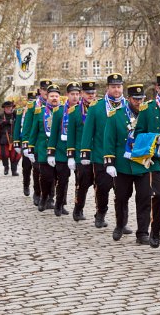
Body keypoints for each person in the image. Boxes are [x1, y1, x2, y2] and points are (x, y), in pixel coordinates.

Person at [80, 73, 131, 231]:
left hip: (123, 156)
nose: (116, 90)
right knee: (103, 186)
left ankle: (122, 222)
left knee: (123, 192)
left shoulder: (128, 106)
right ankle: (101, 212)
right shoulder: (97, 107)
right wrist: (85, 152)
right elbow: (88, 131)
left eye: (119, 86)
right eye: (113, 87)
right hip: (101, 154)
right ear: (107, 88)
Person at [134, 73, 160, 253]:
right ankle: (155, 228)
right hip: (156, 161)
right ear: (157, 89)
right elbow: (137, 135)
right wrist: (154, 139)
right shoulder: (147, 109)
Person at [104, 84, 151, 245]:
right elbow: (109, 139)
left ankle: (143, 232)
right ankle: (120, 224)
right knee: (122, 197)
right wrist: (109, 162)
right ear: (129, 99)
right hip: (123, 164)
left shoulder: (148, 114)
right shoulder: (116, 115)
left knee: (144, 197)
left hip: (143, 163)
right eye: (136, 99)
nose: (139, 102)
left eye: (141, 99)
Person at [47, 82, 81, 216]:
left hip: (78, 152)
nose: (75, 97)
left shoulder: (83, 110)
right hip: (62, 151)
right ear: (67, 95)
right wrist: (51, 153)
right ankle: (59, 204)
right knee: (62, 180)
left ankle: (79, 208)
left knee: (80, 182)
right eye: (72, 94)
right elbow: (54, 133)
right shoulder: (59, 111)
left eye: (77, 94)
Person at [27, 84, 61, 212]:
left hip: (58, 150)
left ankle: (52, 199)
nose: (54, 98)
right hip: (42, 149)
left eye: (56, 96)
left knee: (56, 177)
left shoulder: (63, 112)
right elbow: (34, 132)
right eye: (51, 96)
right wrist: (30, 149)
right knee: (46, 176)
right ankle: (43, 197)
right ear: (47, 97)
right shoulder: (39, 112)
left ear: (59, 98)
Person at [67, 81, 97, 221]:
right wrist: (71, 156)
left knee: (100, 183)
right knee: (83, 182)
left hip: (97, 153)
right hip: (81, 155)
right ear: (82, 94)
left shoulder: (100, 108)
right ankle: (78, 208)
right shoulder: (74, 112)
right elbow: (71, 135)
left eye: (92, 93)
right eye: (87, 93)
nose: (90, 96)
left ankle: (99, 213)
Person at [22, 79, 53, 206]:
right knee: (37, 170)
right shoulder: (33, 105)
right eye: (44, 89)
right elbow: (27, 127)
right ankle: (37, 193)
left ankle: (51, 197)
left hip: (51, 144)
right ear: (40, 91)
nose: (46, 92)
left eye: (48, 89)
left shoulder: (56, 104)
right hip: (36, 144)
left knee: (52, 172)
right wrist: (26, 145)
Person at [13, 90, 37, 196]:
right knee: (26, 166)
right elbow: (17, 127)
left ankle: (38, 188)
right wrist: (16, 142)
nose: (31, 102)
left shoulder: (38, 111)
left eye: (34, 100)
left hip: (36, 142)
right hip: (25, 142)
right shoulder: (21, 111)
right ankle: (26, 184)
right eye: (30, 100)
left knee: (38, 167)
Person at [0, 101, 21, 176]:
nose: (8, 109)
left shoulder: (16, 114)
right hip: (3, 138)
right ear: (4, 108)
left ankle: (14, 170)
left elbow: (22, 121)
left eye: (10, 107)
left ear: (12, 107)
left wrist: (16, 116)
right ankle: (6, 167)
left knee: (15, 155)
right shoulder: (0, 116)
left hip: (15, 137)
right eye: (7, 107)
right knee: (3, 154)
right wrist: (6, 122)